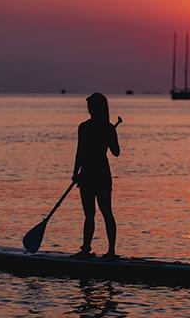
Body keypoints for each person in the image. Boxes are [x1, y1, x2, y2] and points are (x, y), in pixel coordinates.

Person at [72, 93, 120, 259]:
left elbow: (116, 152)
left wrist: (111, 134)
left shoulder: (101, 128)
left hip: (96, 173)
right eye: (88, 105)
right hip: (88, 174)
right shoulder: (87, 127)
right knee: (90, 214)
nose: (88, 108)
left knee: (106, 212)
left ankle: (111, 251)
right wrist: (75, 173)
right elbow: (80, 151)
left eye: (91, 105)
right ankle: (86, 249)